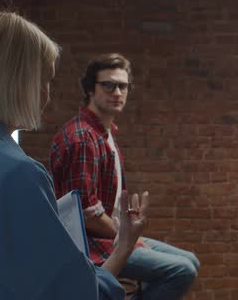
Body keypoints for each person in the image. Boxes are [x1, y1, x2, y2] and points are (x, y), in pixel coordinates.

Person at [0, 11, 147, 300]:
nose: (46, 94)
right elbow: (73, 294)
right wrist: (124, 244)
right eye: (45, 79)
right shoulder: (16, 174)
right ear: (16, 81)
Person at [49, 53, 200, 300]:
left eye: (123, 85)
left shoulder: (103, 133)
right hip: (88, 246)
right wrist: (127, 239)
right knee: (181, 271)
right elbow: (85, 213)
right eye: (108, 85)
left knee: (190, 261)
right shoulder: (81, 137)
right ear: (90, 89)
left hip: (106, 237)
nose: (117, 92)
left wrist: (128, 233)